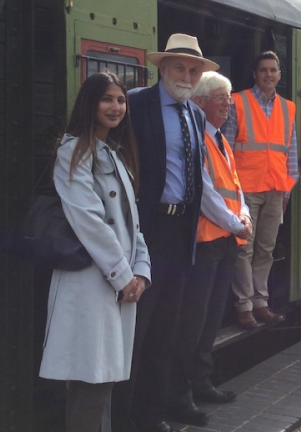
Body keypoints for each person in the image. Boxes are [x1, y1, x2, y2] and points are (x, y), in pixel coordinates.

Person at [39, 71, 150, 432]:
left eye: (120, 100)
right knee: (93, 382)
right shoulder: (74, 152)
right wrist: (123, 275)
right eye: (107, 99)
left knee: (102, 382)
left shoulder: (114, 153)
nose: (116, 107)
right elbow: (88, 220)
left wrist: (142, 271)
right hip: (90, 283)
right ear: (90, 103)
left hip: (116, 283)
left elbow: (132, 224)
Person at [118, 34, 215, 432]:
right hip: (146, 229)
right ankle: (120, 418)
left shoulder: (195, 115)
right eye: (180, 67)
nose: (187, 75)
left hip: (180, 233)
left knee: (166, 331)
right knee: (135, 330)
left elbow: (199, 178)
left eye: (194, 70)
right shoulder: (136, 103)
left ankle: (150, 414)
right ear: (163, 68)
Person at [172, 72, 253, 408]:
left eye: (230, 98)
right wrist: (238, 224)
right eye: (222, 97)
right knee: (194, 319)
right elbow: (205, 192)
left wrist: (245, 215)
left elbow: (234, 187)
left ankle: (201, 381)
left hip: (226, 242)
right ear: (201, 101)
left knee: (212, 317)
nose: (228, 104)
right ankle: (182, 390)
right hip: (207, 242)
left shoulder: (219, 139)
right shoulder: (197, 139)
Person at [223, 51, 298, 329]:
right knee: (245, 249)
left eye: (273, 70)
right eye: (263, 70)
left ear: (279, 74)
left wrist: (287, 191)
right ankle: (244, 306)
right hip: (245, 191)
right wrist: (231, 194)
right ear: (255, 74)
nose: (269, 74)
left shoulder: (288, 108)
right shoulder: (238, 102)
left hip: (276, 189)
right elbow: (227, 151)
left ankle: (260, 303)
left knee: (265, 249)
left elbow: (291, 152)